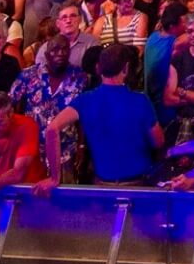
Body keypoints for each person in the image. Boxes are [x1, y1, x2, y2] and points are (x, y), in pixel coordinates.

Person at [45, 45, 161, 186]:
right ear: (126, 68)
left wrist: (54, 177)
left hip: (102, 185)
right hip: (137, 185)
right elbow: (158, 142)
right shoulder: (140, 101)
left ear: (98, 68)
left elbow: (52, 129)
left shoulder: (85, 100)